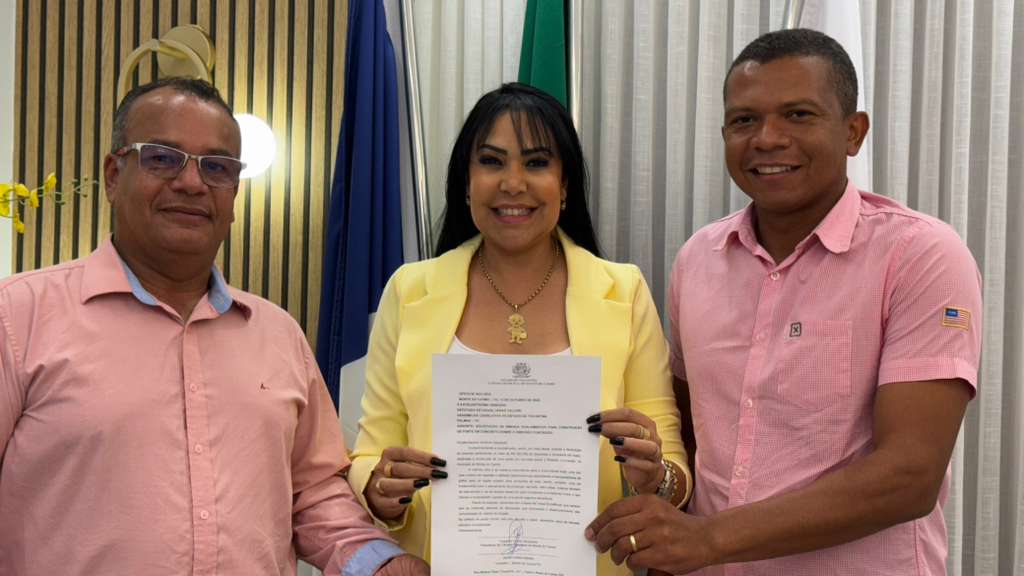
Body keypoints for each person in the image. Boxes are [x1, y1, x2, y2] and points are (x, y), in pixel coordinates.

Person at [586, 28, 982, 575]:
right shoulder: (699, 260)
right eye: (744, 120)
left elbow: (909, 476)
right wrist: (662, 494)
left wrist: (708, 539)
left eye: (798, 114)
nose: (768, 139)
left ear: (854, 131)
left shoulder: (920, 256)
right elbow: (692, 434)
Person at [0, 77, 427, 576]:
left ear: (234, 193)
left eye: (217, 167)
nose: (191, 182)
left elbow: (312, 495)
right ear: (114, 175)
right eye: (163, 158)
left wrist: (377, 563)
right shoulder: (18, 316)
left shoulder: (277, 335)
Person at [347, 82, 691, 575]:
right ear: (465, 182)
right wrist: (382, 490)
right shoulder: (410, 292)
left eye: (535, 163)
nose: (512, 183)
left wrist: (654, 475)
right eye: (491, 162)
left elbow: (676, 481)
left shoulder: (624, 292)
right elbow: (367, 455)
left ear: (565, 184)